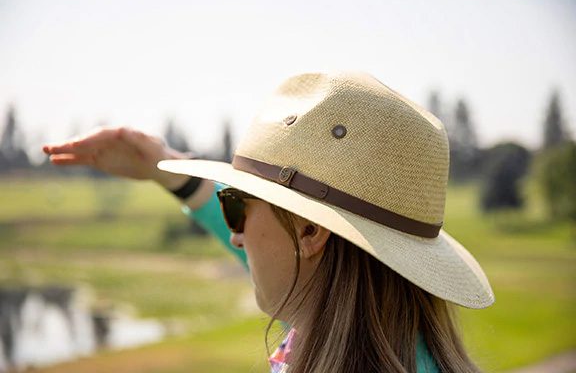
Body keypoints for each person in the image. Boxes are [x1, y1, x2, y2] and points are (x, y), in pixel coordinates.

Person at [44, 71, 494, 373]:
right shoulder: (375, 332)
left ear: (311, 231)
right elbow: (282, 257)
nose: (236, 237)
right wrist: (171, 171)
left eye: (237, 205)